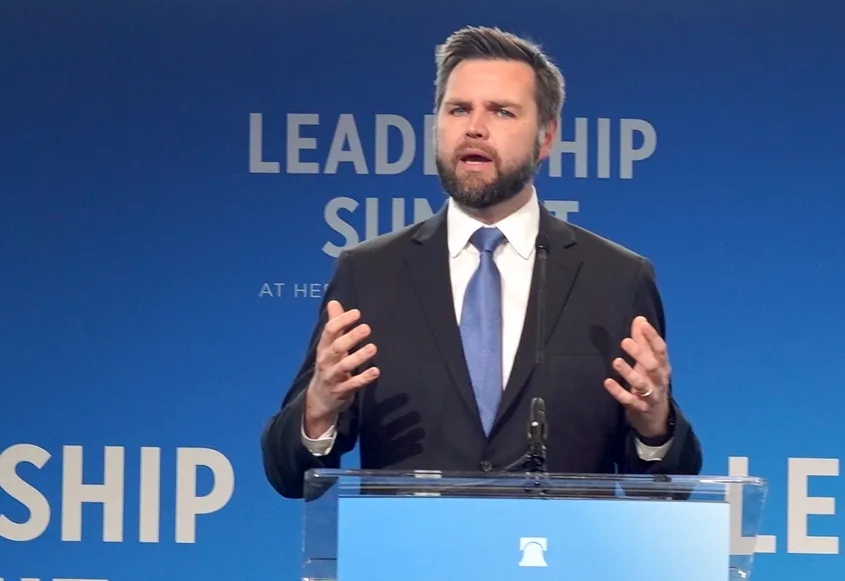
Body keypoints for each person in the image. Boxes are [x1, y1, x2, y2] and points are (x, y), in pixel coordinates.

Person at [261, 26, 702, 498]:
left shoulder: (615, 279)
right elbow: (289, 472)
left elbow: (666, 488)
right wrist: (318, 409)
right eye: (458, 109)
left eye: (502, 111)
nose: (474, 127)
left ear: (546, 136)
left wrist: (655, 427)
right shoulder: (369, 274)